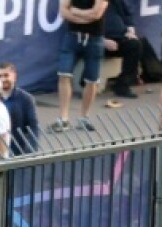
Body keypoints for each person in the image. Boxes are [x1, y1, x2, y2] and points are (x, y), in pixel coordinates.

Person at [54, 0, 109, 133]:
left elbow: (96, 14)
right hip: (72, 37)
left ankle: (84, 117)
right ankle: (63, 118)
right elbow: (63, 12)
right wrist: (85, 16)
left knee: (92, 80)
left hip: (94, 38)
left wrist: (76, 11)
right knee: (64, 74)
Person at [0, 63, 40, 155]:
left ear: (14, 76)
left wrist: (31, 150)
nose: (2, 79)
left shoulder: (26, 99)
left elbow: (33, 127)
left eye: (6, 75)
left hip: (18, 151)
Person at [102, 0, 140, 99]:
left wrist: (130, 31)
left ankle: (122, 85)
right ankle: (86, 83)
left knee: (135, 45)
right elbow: (83, 28)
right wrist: (103, 41)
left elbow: (128, 17)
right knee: (93, 47)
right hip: (97, 41)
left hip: (119, 38)